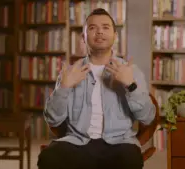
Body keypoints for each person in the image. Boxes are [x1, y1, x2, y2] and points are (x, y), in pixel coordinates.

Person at [37, 8, 156, 169]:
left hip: (119, 143)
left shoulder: (131, 71)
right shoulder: (70, 72)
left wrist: (131, 85)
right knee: (48, 158)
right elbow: (52, 119)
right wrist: (64, 87)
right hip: (77, 142)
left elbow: (148, 118)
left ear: (115, 36)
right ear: (84, 38)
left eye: (106, 27)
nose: (99, 32)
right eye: (92, 28)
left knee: (130, 160)